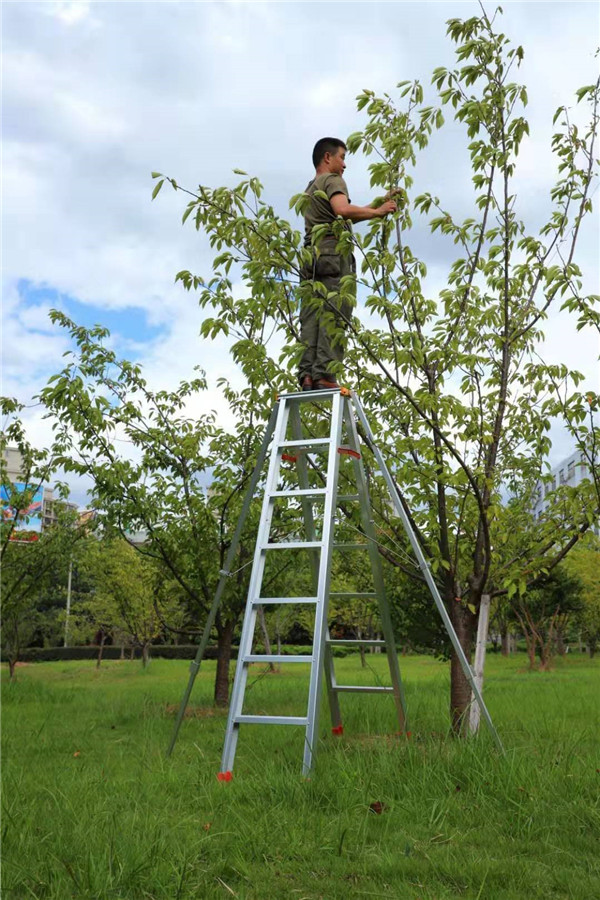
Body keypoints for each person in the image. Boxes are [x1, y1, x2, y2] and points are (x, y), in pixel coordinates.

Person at [297, 137, 398, 391]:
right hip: (333, 255)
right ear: (327, 158)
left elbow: (341, 215)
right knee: (335, 312)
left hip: (311, 258)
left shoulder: (311, 188)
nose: (344, 164)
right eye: (342, 157)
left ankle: (308, 375)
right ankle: (326, 375)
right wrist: (378, 213)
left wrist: (377, 204)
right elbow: (342, 210)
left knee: (312, 317)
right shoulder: (333, 180)